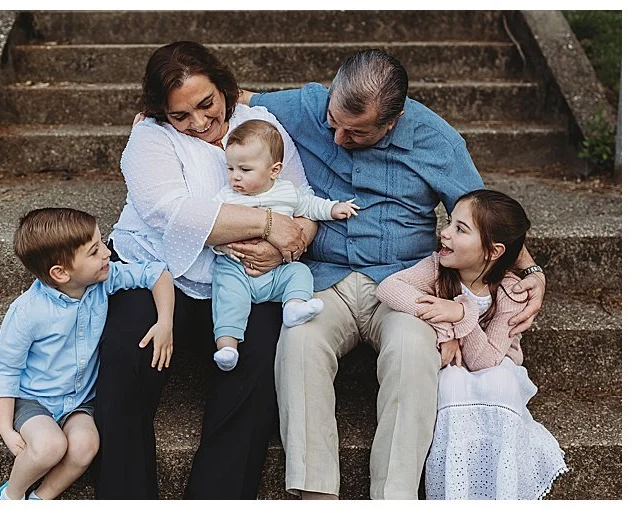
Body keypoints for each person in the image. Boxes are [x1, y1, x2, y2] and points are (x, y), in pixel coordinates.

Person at [245, 49, 546, 499]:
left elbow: (487, 220)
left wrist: (531, 269)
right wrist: (155, 122)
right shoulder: (308, 105)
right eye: (335, 123)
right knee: (299, 340)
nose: (340, 137)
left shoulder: (437, 141)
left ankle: (395, 497)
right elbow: (233, 101)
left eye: (357, 131)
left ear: (393, 120)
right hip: (325, 277)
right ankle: (314, 493)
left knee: (412, 351)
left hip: (407, 283)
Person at [98, 41, 312, 499]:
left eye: (206, 104)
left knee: (258, 368)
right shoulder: (150, 138)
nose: (197, 123)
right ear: (161, 114)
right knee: (124, 357)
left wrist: (289, 245)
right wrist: (268, 223)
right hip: (155, 274)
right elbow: (173, 214)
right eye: (180, 115)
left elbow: (302, 198)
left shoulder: (264, 126)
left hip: (244, 280)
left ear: (226, 88)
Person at [374, 190, 566, 499]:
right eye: (449, 222)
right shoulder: (436, 268)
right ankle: (456, 488)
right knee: (450, 384)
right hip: (452, 365)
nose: (445, 233)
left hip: (492, 361)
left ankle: (496, 484)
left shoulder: (510, 292)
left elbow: (486, 360)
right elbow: (389, 288)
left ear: (493, 251)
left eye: (460, 229)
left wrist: (464, 313)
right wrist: (447, 326)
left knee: (500, 383)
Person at [0, 208, 174, 500]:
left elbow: (156, 273)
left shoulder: (102, 281)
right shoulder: (27, 312)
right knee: (50, 446)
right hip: (35, 401)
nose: (107, 254)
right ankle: (11, 496)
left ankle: (41, 498)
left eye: (102, 243)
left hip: (79, 402)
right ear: (61, 273)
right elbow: (5, 369)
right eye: (94, 250)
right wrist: (6, 428)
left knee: (86, 446)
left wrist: (165, 321)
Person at [208, 119, 358, 371]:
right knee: (227, 297)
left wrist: (334, 208)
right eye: (230, 168)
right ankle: (227, 346)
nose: (235, 177)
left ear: (274, 170)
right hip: (237, 269)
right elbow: (210, 226)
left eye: (244, 170)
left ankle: (294, 307)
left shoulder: (287, 192)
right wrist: (223, 247)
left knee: (300, 273)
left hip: (276, 273)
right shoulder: (226, 196)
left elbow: (310, 206)